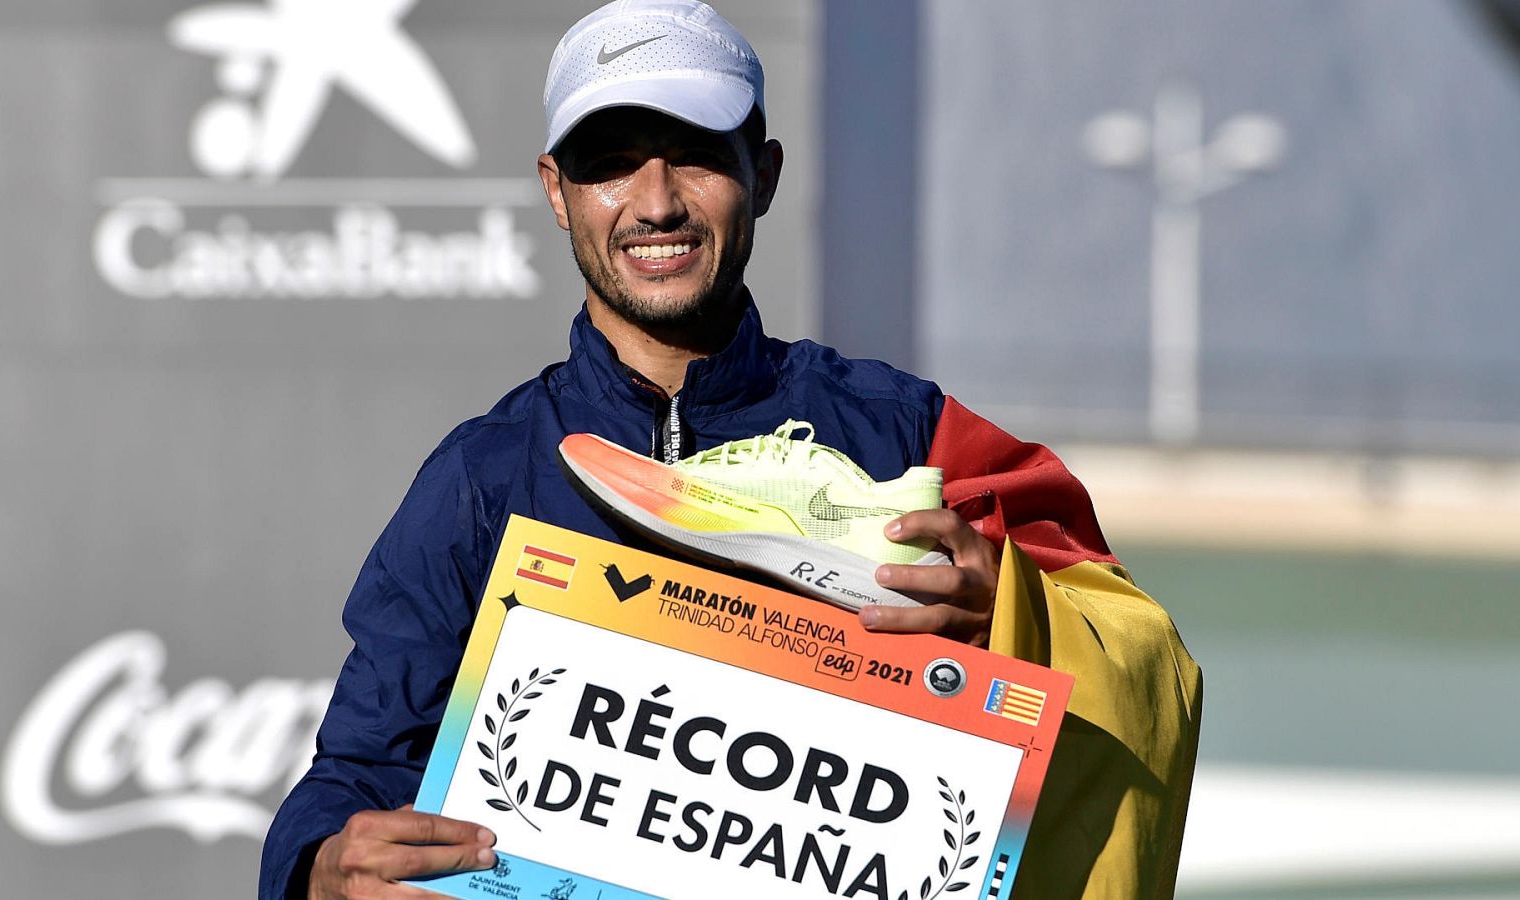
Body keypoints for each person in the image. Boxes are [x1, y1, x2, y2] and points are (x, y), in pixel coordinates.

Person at [260, 2, 1202, 898]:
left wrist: (1010, 614)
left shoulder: (911, 435)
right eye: (611, 164)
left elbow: (1150, 664)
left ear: (766, 172)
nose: (656, 202)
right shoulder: (483, 477)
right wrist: (319, 868)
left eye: (698, 156)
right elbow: (359, 772)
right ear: (557, 191)